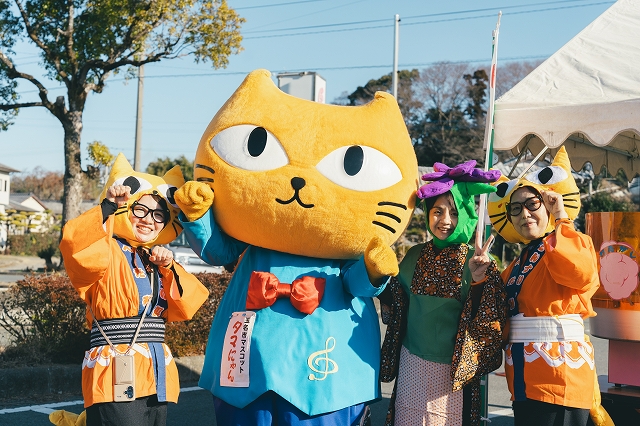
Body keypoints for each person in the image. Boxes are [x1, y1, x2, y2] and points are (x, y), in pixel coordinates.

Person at [59, 154, 209, 426]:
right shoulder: (106, 247)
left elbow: (187, 305)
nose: (149, 220)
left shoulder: (156, 259)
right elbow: (75, 246)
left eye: (159, 215)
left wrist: (168, 267)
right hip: (114, 365)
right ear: (127, 209)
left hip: (156, 369)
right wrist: (108, 206)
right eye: (141, 210)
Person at [486, 147, 612, 426]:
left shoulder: (570, 241)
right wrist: (480, 277)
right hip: (522, 378)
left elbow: (579, 273)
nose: (524, 214)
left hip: (560, 376)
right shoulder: (516, 263)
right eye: (515, 209)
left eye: (532, 204)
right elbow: (496, 310)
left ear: (547, 205)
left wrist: (561, 216)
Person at [379, 160, 506, 426]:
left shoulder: (478, 260)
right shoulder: (414, 255)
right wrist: (377, 270)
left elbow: (489, 319)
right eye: (437, 211)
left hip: (454, 370)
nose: (445, 220)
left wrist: (480, 280)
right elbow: (397, 301)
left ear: (468, 215)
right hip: (411, 362)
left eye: (454, 212)